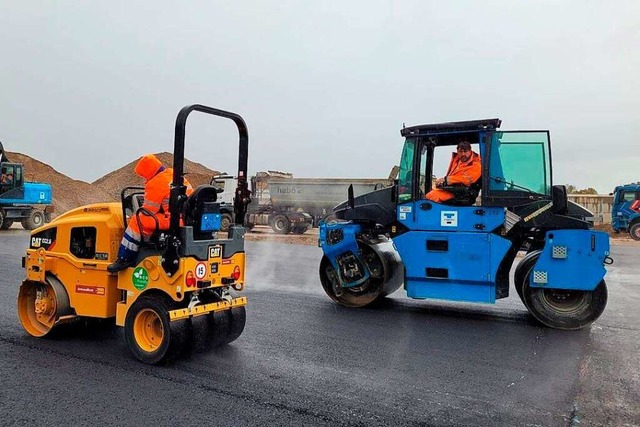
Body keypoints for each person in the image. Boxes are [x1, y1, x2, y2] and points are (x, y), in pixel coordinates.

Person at [107, 154, 193, 273]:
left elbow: (148, 211)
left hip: (173, 219)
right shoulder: (173, 174)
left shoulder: (156, 183)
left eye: (143, 175)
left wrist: (134, 215)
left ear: (148, 171)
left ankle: (125, 257)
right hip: (186, 217)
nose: (144, 178)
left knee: (137, 220)